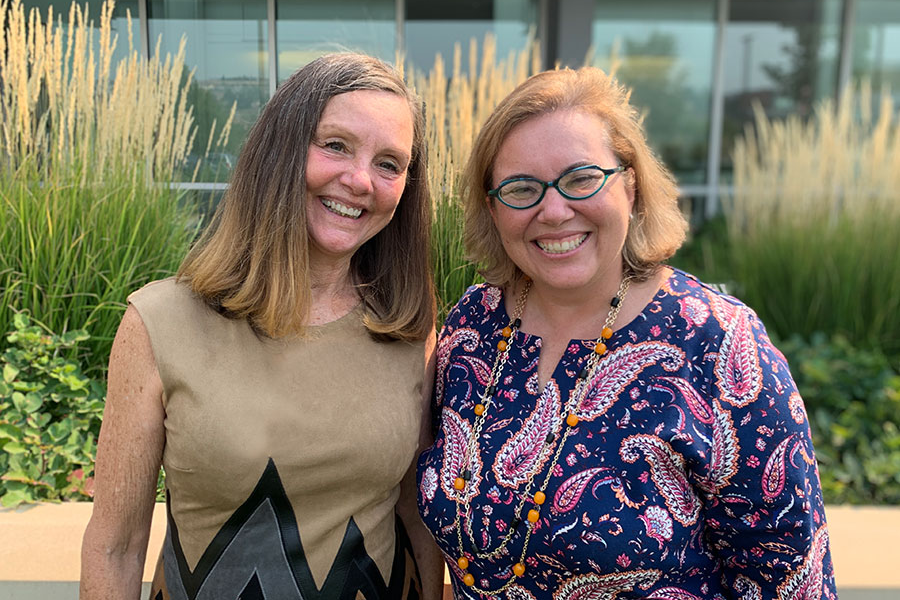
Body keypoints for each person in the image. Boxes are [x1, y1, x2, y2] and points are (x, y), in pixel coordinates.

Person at [417, 67, 836, 599]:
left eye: (581, 178)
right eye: (521, 188)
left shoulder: (719, 343)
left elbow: (792, 578)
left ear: (630, 184)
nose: (553, 210)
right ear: (493, 207)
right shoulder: (471, 325)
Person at [81, 53, 443, 600]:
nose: (360, 180)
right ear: (281, 150)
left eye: (390, 164)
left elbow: (416, 518)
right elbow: (116, 545)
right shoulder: (160, 324)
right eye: (336, 145)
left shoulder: (409, 332)